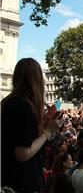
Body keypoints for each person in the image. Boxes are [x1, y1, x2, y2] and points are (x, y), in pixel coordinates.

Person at [1, 58, 59, 192]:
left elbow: (24, 137)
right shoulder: (22, 106)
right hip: (22, 182)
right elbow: (23, 153)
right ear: (37, 79)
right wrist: (47, 132)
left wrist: (45, 122)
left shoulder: (8, 102)